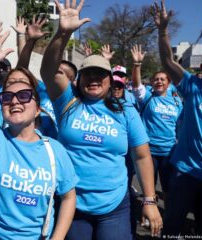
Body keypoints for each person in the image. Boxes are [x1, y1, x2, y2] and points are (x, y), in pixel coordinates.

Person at [40, 1, 162, 239]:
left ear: (110, 80)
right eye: (88, 73)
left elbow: (141, 155)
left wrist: (149, 199)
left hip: (114, 205)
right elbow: (48, 70)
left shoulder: (126, 110)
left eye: (100, 74)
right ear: (78, 79)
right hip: (71, 203)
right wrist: (63, 33)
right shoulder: (68, 102)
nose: (94, 78)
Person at [0, 20, 77, 240]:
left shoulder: (55, 151)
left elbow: (68, 196)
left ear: (38, 108)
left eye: (24, 96)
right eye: (7, 97)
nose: (15, 101)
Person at [152, 0, 202, 235]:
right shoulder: (193, 86)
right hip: (186, 172)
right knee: (173, 223)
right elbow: (167, 61)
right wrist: (163, 31)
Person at [130, 44, 183, 207]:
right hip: (148, 151)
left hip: (169, 152)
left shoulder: (176, 102)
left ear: (168, 83)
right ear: (152, 82)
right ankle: (148, 214)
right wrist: (137, 65)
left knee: (168, 188)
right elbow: (136, 86)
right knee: (149, 188)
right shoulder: (148, 97)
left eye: (163, 79)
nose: (159, 81)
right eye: (156, 79)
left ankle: (166, 216)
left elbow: (180, 126)